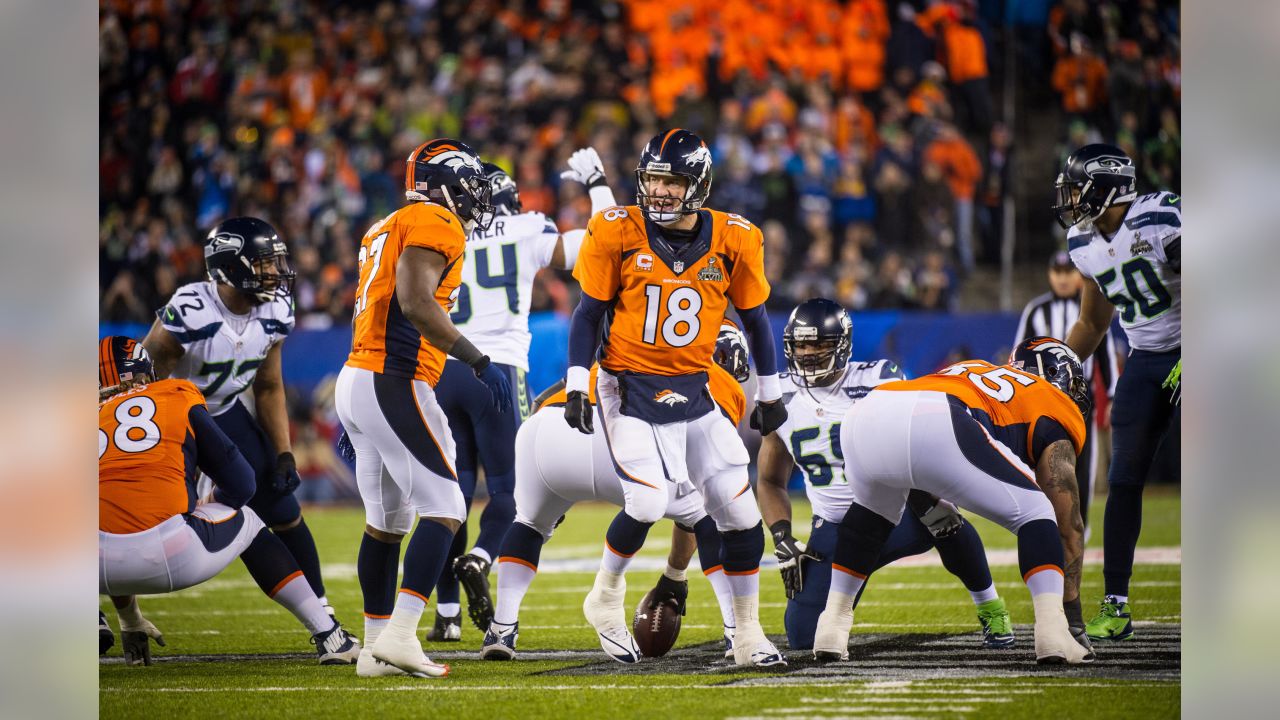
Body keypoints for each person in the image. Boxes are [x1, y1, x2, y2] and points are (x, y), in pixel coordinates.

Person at [564, 128, 788, 667]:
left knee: (739, 512)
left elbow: (755, 322)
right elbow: (587, 313)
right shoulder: (618, 230)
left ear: (699, 184)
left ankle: (749, 636)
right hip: (627, 383)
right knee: (646, 501)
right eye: (653, 179)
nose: (660, 191)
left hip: (694, 388)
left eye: (673, 180)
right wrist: (576, 383)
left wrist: (770, 392)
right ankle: (606, 595)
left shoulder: (735, 237)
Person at [334, 138, 510, 679]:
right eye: (470, 183)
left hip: (359, 377)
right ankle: (404, 633)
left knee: (386, 522)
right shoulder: (437, 220)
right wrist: (477, 358)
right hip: (396, 378)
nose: (477, 197)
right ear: (444, 182)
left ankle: (372, 649)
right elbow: (414, 301)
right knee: (447, 506)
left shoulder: (385, 224)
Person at [811, 337, 1096, 665]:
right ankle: (1053, 631)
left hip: (866, 414)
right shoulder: (1052, 400)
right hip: (938, 417)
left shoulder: (974, 368)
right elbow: (1067, 521)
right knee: (1039, 511)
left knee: (870, 518)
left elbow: (910, 432)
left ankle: (831, 627)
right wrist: (1073, 615)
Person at [480, 323, 751, 660]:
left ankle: (502, 628)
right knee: (708, 514)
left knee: (530, 525)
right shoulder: (716, 380)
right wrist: (675, 573)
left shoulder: (638, 345)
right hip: (610, 432)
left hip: (544, 430)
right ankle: (735, 630)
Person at [756, 299, 1013, 651]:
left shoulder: (877, 378)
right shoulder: (779, 394)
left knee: (943, 518)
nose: (808, 353)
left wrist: (928, 498)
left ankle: (991, 608)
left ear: (842, 345)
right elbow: (770, 480)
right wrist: (782, 536)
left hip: (897, 515)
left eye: (819, 344)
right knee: (803, 636)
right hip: (834, 528)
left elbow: (910, 443)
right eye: (801, 344)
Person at [98, 336, 359, 667]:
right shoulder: (176, 396)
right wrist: (207, 501)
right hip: (171, 552)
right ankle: (329, 635)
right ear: (146, 372)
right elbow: (242, 483)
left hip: (95, 568)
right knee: (249, 520)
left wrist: (129, 619)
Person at [427, 155, 591, 641]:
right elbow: (584, 251)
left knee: (448, 496)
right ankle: (480, 557)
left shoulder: (441, 231)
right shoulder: (525, 227)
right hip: (498, 369)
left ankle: (448, 617)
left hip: (444, 368)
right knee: (509, 492)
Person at [142, 216, 332, 615]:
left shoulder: (276, 308)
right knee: (144, 517)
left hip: (226, 412)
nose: (275, 273)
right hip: (173, 418)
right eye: (263, 263)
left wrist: (283, 452)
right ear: (231, 267)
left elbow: (267, 386)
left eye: (275, 263)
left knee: (283, 508)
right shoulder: (193, 309)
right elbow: (142, 381)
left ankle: (321, 608)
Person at [1056, 143, 1181, 642]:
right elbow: (1091, 322)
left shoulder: (1158, 219)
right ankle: (1116, 603)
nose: (1067, 198)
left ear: (1107, 187)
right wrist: (1056, 369)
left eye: (1076, 186)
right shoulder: (1083, 241)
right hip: (1146, 361)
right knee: (1123, 479)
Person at [1014, 250, 1118, 537]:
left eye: (1068, 272)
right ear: (1049, 275)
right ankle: (1045, 524)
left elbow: (1105, 354)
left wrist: (1111, 394)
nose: (1062, 278)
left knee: (1082, 466)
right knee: (1042, 464)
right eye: (1057, 272)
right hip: (1043, 401)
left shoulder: (1092, 306)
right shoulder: (1035, 310)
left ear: (1079, 275)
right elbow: (1018, 354)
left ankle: (1079, 527)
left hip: (1080, 399)